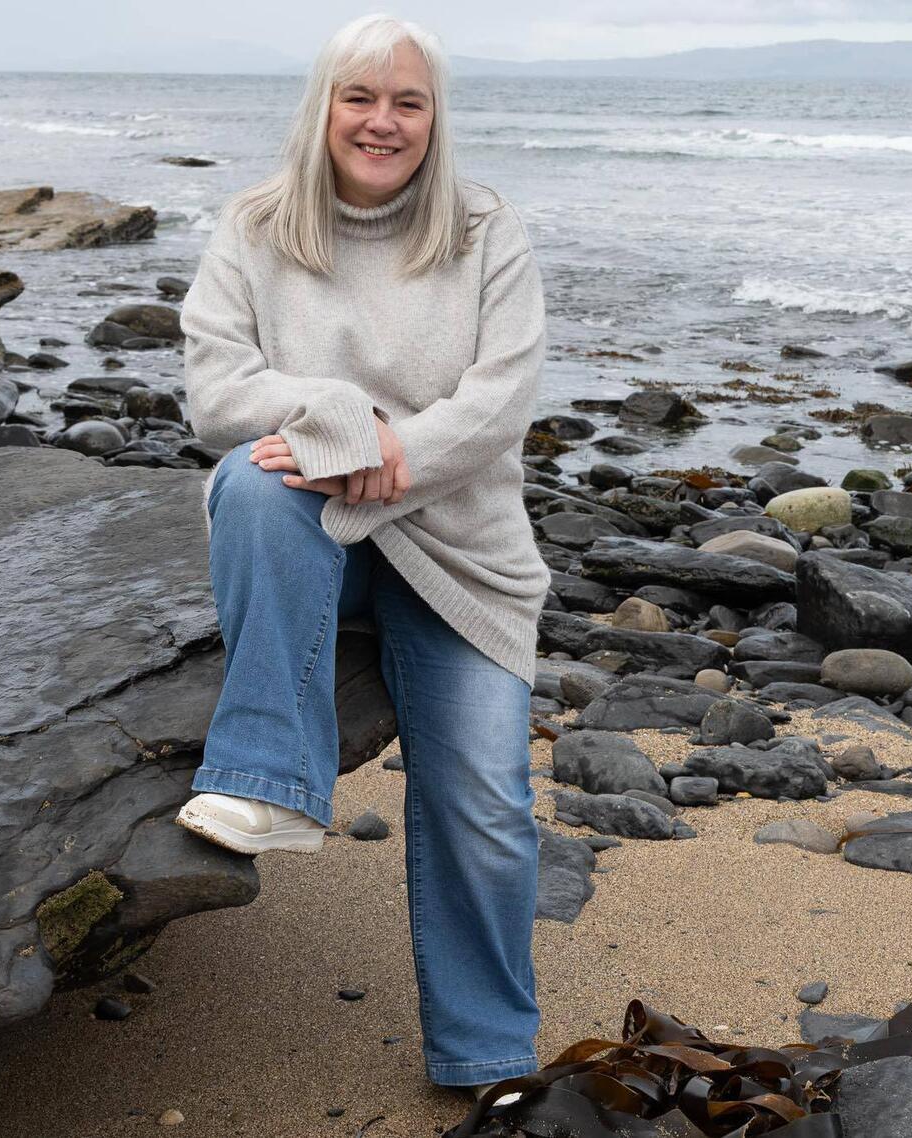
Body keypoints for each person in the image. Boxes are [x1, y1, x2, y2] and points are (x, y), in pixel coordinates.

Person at [169, 12, 549, 1101]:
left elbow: (501, 401)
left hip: (458, 548)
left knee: (486, 802)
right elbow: (216, 394)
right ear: (324, 106)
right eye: (361, 97)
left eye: (407, 102)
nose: (383, 122)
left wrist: (396, 456)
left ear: (434, 118)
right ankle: (267, 783)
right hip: (307, 531)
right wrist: (344, 419)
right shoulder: (255, 225)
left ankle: (488, 1054)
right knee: (250, 480)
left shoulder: (485, 230)